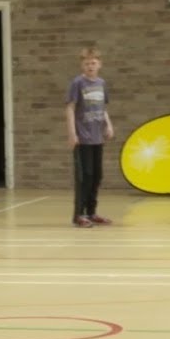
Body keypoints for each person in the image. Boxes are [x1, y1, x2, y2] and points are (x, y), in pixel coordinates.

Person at [66, 47, 114, 228]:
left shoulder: (101, 83)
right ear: (82, 65)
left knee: (96, 176)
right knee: (84, 176)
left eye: (93, 63)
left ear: (99, 64)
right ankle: (79, 215)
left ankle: (91, 212)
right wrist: (72, 133)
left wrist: (108, 125)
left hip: (97, 138)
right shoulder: (77, 83)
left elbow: (103, 108)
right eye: (87, 63)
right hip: (83, 138)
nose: (90, 66)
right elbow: (70, 108)